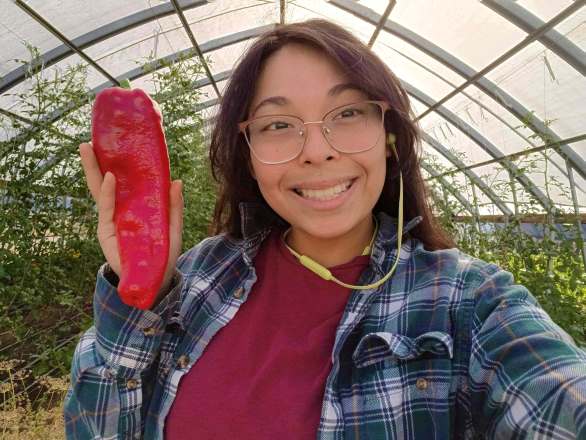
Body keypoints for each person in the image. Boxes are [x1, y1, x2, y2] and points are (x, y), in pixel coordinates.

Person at [64, 19, 586, 439]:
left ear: (389, 135)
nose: (317, 150)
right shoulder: (201, 277)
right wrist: (140, 283)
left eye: (348, 112)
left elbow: (557, 395)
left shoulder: (468, 301)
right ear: (247, 153)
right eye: (277, 124)